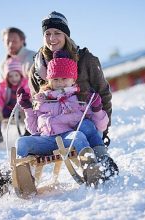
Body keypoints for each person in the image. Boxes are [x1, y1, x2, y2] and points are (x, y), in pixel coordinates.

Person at [28, 11, 118, 177]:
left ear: (66, 35)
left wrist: (104, 131)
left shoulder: (85, 59)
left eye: (57, 33)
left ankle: (100, 165)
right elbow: (35, 105)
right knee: (25, 144)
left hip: (84, 122)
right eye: (47, 34)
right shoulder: (36, 67)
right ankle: (15, 177)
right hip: (53, 129)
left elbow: (103, 93)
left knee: (84, 129)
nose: (52, 38)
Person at [16, 50, 108, 184]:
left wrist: (97, 109)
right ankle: (22, 177)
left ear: (73, 79)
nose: (59, 83)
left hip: (67, 138)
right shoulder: (42, 101)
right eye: (55, 79)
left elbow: (99, 127)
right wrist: (28, 109)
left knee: (79, 136)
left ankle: (91, 169)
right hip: (45, 140)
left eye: (64, 78)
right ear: (49, 80)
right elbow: (34, 129)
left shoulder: (79, 100)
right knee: (22, 142)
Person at [0, 58, 30, 126]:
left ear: (20, 75)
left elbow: (28, 93)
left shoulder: (25, 84)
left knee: (26, 108)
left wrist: (23, 105)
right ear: (7, 77)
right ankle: (0, 126)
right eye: (10, 76)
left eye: (16, 75)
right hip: (9, 110)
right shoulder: (4, 87)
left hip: (21, 110)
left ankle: (25, 124)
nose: (14, 78)